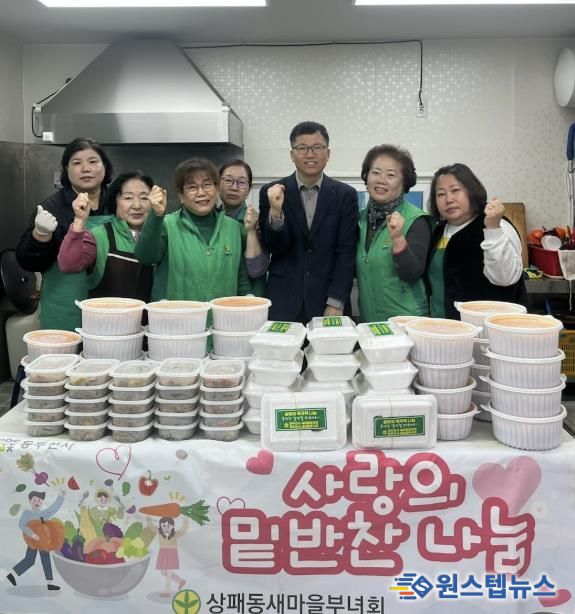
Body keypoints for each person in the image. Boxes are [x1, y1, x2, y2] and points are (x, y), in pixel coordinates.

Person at [258, 121, 358, 323]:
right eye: (302, 148)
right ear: (292, 154)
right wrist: (276, 210)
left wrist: (336, 301)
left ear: (328, 153)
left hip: (328, 299)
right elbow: (273, 247)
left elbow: (346, 252)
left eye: (317, 147)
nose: (310, 154)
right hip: (284, 299)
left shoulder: (345, 195)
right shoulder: (272, 191)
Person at [16, 137, 113, 330]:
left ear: (105, 167)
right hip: (65, 309)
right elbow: (28, 262)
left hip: (112, 307)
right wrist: (40, 235)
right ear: (66, 169)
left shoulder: (119, 203)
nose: (85, 169)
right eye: (77, 163)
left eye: (93, 161)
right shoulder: (51, 208)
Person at [135, 158, 251, 301]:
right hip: (177, 314)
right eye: (192, 187)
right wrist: (156, 215)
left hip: (222, 314)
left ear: (217, 190)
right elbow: (145, 257)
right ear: (181, 195)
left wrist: (248, 300)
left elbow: (241, 278)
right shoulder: (167, 225)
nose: (201, 192)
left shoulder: (234, 228)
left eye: (207, 185)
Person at [427, 163, 526, 319]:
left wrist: (493, 228)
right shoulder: (438, 231)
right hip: (444, 325)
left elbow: (505, 278)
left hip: (489, 326)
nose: (448, 199)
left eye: (455, 190)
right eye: (440, 194)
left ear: (472, 191)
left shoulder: (498, 224)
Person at [356, 145, 433, 322]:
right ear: (366, 176)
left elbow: (412, 273)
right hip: (371, 323)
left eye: (390, 175)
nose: (381, 180)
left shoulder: (416, 220)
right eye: (375, 172)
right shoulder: (360, 220)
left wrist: (398, 239)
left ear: (404, 182)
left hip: (407, 322)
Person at [57, 171, 154, 302]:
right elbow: (68, 265)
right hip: (106, 314)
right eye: (128, 198)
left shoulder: (162, 236)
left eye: (144, 198)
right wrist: (79, 220)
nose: (137, 205)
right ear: (115, 201)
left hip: (152, 315)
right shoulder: (99, 235)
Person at [219, 160, 267, 296]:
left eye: (241, 182)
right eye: (228, 180)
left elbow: (256, 270)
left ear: (249, 189)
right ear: (217, 184)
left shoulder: (258, 222)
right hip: (221, 296)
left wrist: (252, 231)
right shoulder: (212, 220)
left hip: (250, 297)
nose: (234, 188)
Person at [6, 489, 66, 591]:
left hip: (44, 542)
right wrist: (32, 534)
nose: (37, 502)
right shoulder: (27, 513)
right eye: (35, 500)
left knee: (46, 560)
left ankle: (50, 583)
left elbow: (53, 509)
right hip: (32, 542)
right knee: (29, 560)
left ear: (42, 502)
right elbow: (22, 524)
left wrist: (61, 497)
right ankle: (12, 575)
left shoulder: (44, 514)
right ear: (30, 501)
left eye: (39, 501)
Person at [146, 515, 189, 597]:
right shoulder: (159, 532)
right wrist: (148, 517)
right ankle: (180, 581)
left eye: (168, 525)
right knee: (163, 572)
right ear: (160, 526)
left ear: (172, 526)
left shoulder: (175, 534)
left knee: (169, 572)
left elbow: (183, 530)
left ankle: (167, 591)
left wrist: (185, 520)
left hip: (171, 553)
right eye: (163, 525)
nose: (166, 527)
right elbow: (151, 526)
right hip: (163, 552)